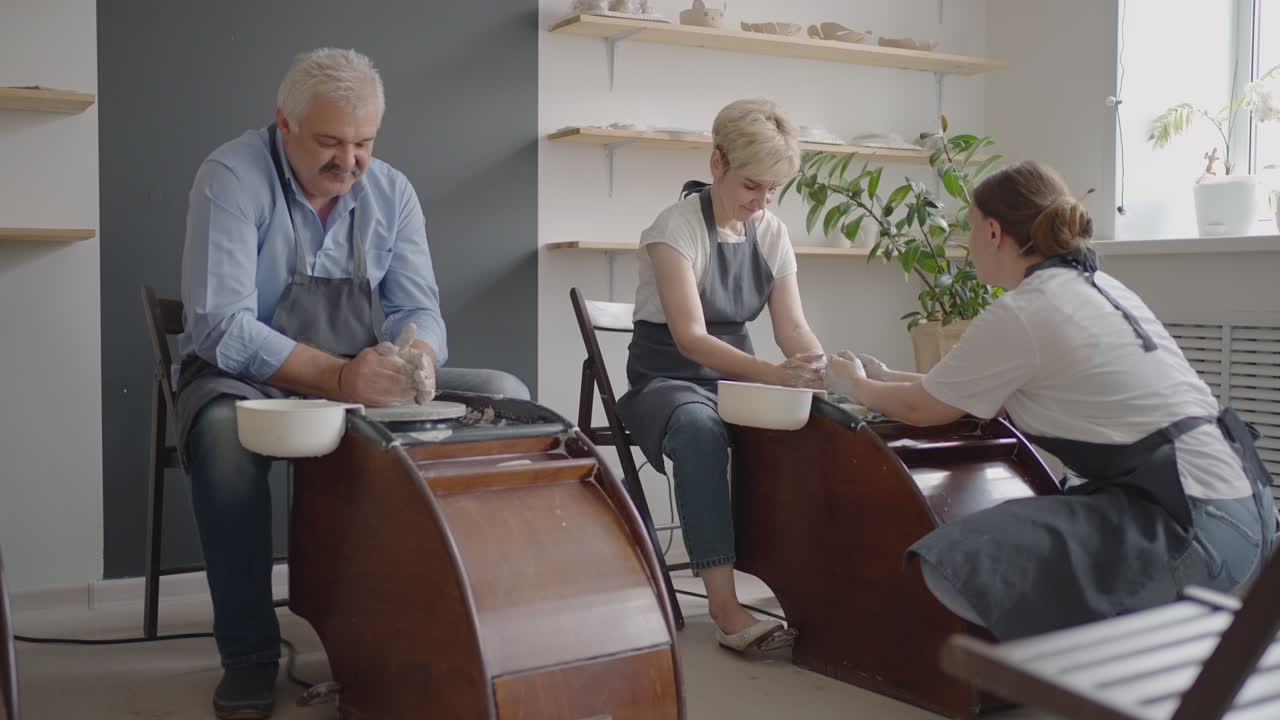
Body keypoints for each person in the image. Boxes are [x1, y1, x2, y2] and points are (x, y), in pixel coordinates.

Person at [174, 48, 529, 719]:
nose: (348, 161)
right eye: (330, 142)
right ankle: (248, 653)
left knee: (503, 390)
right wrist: (336, 375)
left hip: (360, 374)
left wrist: (416, 358)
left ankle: (458, 623)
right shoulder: (232, 175)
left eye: (363, 143)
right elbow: (219, 326)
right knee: (223, 435)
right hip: (247, 376)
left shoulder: (391, 191)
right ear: (284, 124)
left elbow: (417, 309)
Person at [825, 160, 1276, 641]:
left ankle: (1096, 656)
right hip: (1249, 515)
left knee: (959, 557)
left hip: (1195, 534)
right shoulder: (1096, 286)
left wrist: (853, 384)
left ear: (993, 231)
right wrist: (885, 375)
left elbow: (924, 409)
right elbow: (964, 389)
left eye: (970, 228)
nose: (968, 241)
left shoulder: (1026, 310)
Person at [616, 98, 826, 654]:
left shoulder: (771, 233)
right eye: (751, 186)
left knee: (821, 423)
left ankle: (815, 589)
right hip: (667, 381)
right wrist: (773, 376)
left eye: (773, 191)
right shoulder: (674, 230)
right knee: (700, 433)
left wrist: (820, 370)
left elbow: (793, 330)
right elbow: (690, 337)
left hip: (737, 379)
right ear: (717, 165)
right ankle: (725, 606)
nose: (760, 203)